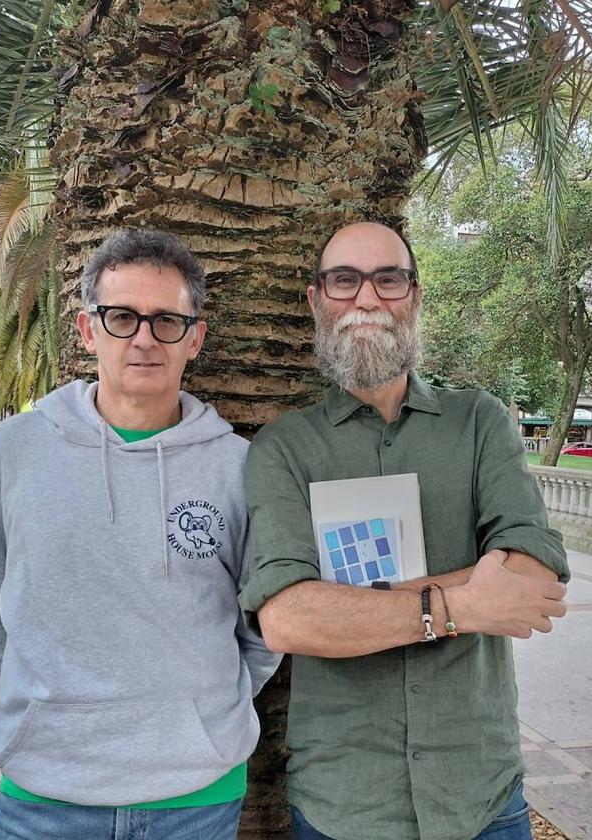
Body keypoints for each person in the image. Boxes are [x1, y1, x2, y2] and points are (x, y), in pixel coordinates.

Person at [240, 222, 570, 840]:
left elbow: (532, 577)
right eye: (345, 280)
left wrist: (352, 606)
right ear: (317, 300)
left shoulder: (480, 422)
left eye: (387, 279)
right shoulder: (284, 448)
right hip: (345, 799)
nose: (367, 299)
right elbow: (288, 619)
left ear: (414, 296)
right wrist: (464, 602)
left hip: (482, 795)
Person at [0, 228, 280, 840]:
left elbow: (263, 626)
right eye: (121, 317)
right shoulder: (16, 451)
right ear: (88, 331)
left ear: (196, 337)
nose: (143, 338)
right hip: (43, 794)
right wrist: (35, 714)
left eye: (167, 320)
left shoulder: (238, 467)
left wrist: (203, 718)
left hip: (196, 796)